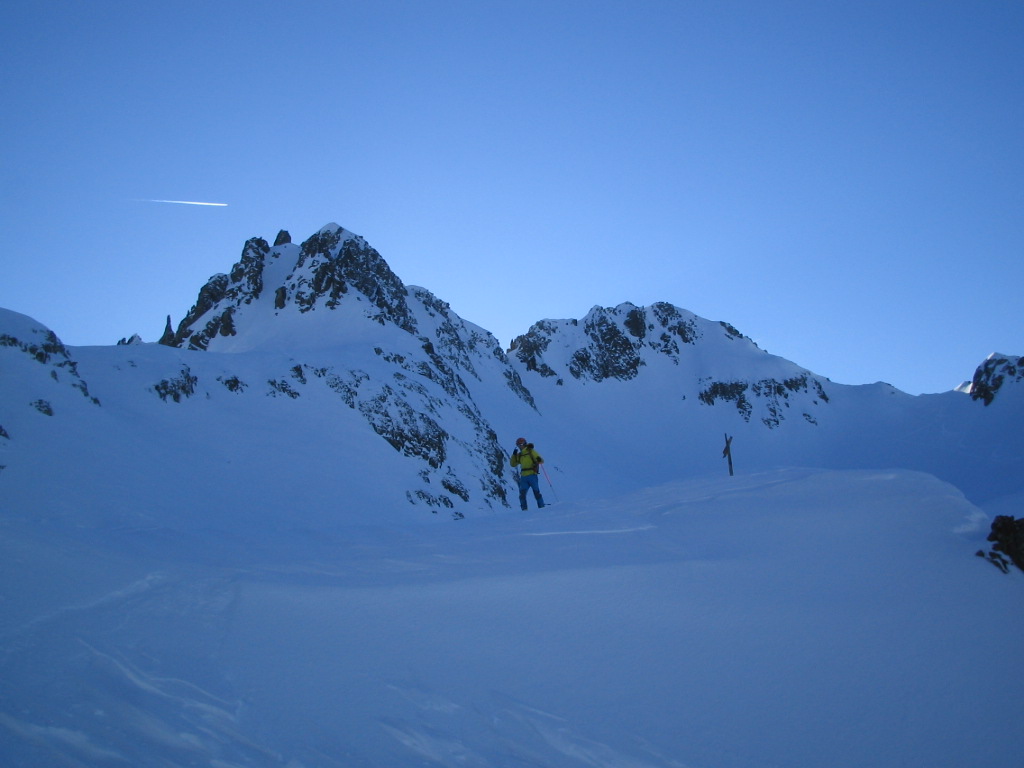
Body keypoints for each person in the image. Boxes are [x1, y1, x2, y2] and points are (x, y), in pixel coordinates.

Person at [510, 437, 545, 511]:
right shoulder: (520, 455)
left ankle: (541, 508)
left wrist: (539, 460)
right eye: (518, 445)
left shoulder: (531, 451)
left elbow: (541, 460)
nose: (520, 446)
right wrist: (514, 455)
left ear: (524, 444)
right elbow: (513, 464)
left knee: (535, 493)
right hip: (524, 477)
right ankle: (527, 510)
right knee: (523, 495)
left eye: (521, 444)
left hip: (531, 475)